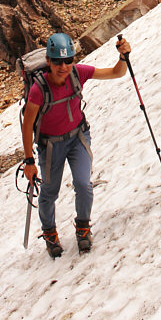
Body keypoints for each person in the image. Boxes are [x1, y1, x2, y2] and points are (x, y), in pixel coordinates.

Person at [21, 31, 131, 257]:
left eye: (68, 60)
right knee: (49, 192)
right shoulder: (38, 90)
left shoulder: (78, 74)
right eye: (58, 62)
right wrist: (29, 161)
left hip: (78, 137)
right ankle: (50, 233)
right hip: (50, 145)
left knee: (83, 184)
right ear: (49, 62)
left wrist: (123, 57)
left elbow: (115, 73)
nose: (63, 66)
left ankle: (83, 227)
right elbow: (27, 124)